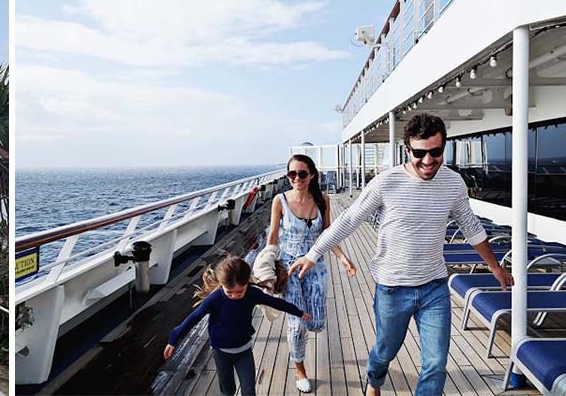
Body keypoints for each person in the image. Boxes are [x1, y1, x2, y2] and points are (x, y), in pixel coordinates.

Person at [289, 113, 512, 395]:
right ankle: (374, 380)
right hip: (393, 288)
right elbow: (349, 220)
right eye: (420, 153)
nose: (428, 160)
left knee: (435, 363)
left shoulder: (453, 183)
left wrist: (494, 266)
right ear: (408, 150)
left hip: (434, 286)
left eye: (436, 152)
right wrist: (313, 254)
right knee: (385, 351)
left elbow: (470, 225)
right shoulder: (386, 183)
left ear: (443, 147)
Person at [268, 154, 356, 393]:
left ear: (312, 175)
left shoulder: (322, 200)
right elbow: (273, 238)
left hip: (315, 267)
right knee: (297, 325)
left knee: (315, 324)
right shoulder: (280, 200)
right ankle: (300, 369)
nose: (296, 178)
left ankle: (300, 335)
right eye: (292, 174)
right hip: (289, 269)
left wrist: (343, 258)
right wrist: (267, 268)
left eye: (302, 173)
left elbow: (328, 236)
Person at [164, 256, 310, 396]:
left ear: (247, 282)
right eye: (230, 292)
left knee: (248, 391)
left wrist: (298, 312)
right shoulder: (214, 300)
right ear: (223, 285)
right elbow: (193, 318)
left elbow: (276, 303)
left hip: (244, 352)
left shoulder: (253, 294)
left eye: (240, 291)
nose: (235, 296)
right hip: (221, 353)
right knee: (228, 391)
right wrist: (173, 339)